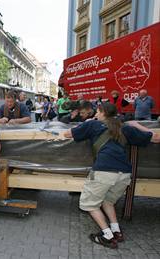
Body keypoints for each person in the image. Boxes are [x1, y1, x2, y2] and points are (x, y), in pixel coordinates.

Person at [63, 103, 160, 249]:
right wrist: (137, 125)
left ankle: (107, 235)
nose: (95, 114)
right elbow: (156, 138)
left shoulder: (93, 125)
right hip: (124, 174)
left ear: (102, 112)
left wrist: (86, 123)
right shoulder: (125, 128)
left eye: (97, 112)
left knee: (88, 204)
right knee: (107, 201)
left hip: (104, 172)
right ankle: (116, 231)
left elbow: (67, 134)